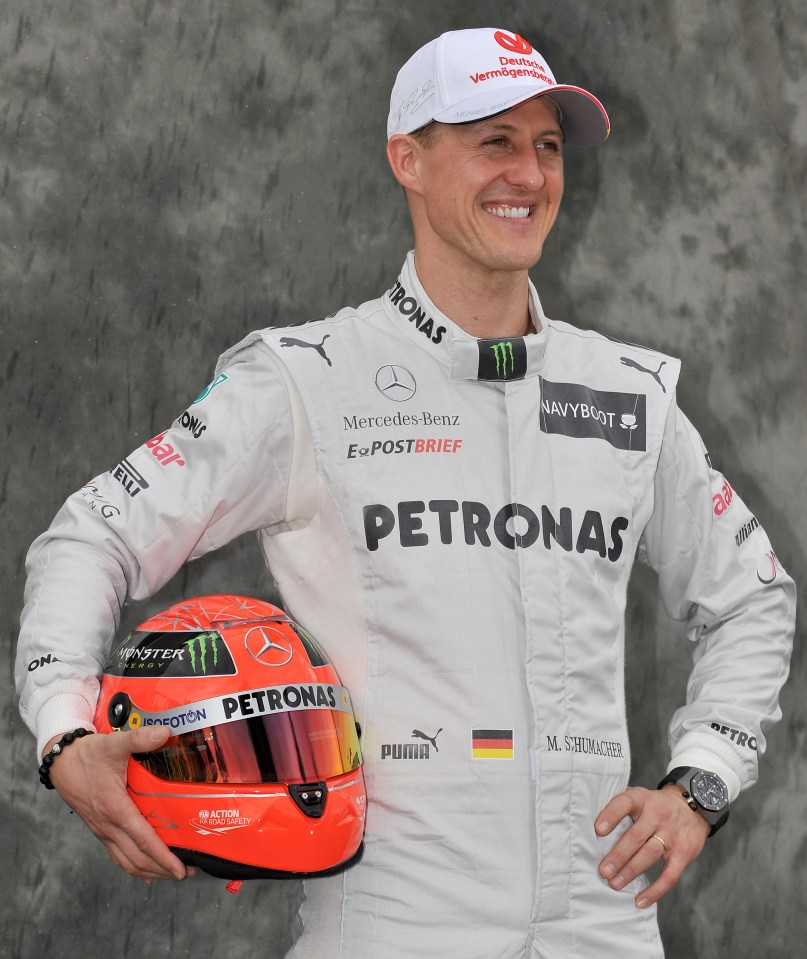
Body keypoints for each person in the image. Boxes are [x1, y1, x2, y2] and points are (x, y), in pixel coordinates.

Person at [16, 26, 795, 959]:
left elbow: (751, 595)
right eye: (492, 141)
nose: (529, 173)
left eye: (546, 146)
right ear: (408, 159)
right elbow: (91, 532)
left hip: (603, 917)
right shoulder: (306, 380)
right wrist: (63, 735)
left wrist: (701, 780)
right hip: (395, 916)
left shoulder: (628, 394)